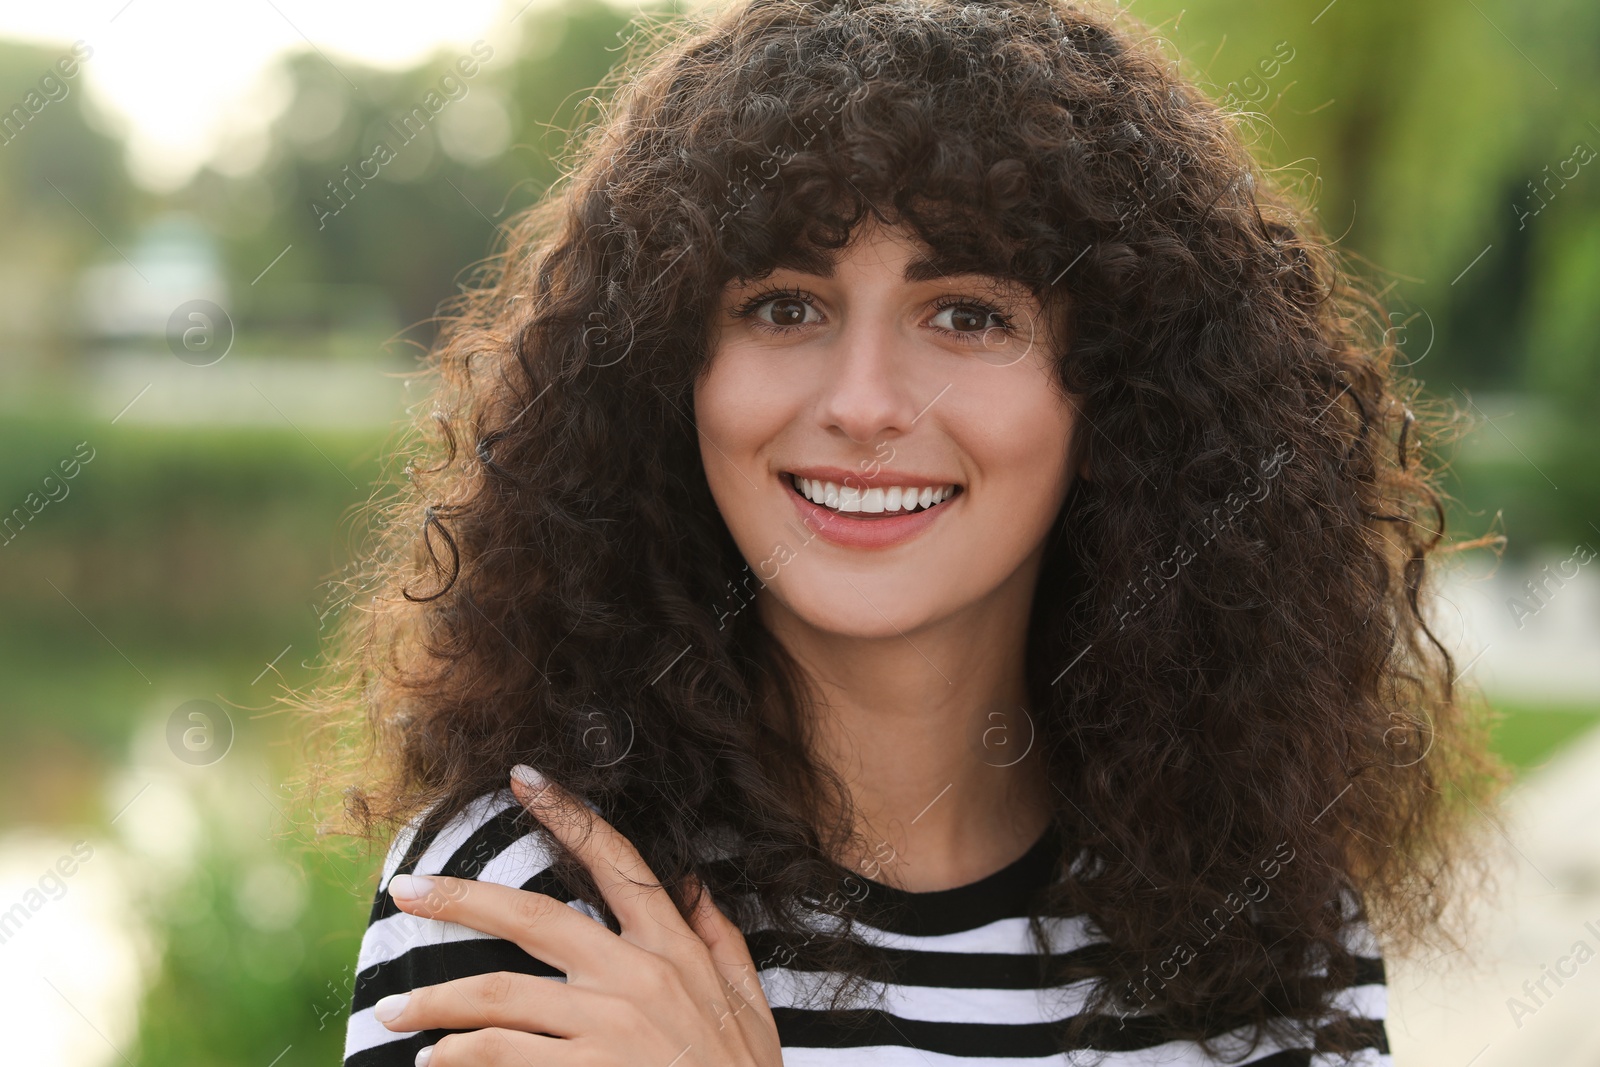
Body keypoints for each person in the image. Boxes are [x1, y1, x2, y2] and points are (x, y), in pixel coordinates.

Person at [309, 0, 1503, 1063]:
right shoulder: (536, 901)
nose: (867, 399)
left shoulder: (1269, 918)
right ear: (668, 373)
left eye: (968, 314)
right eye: (784, 306)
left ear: (1123, 393)